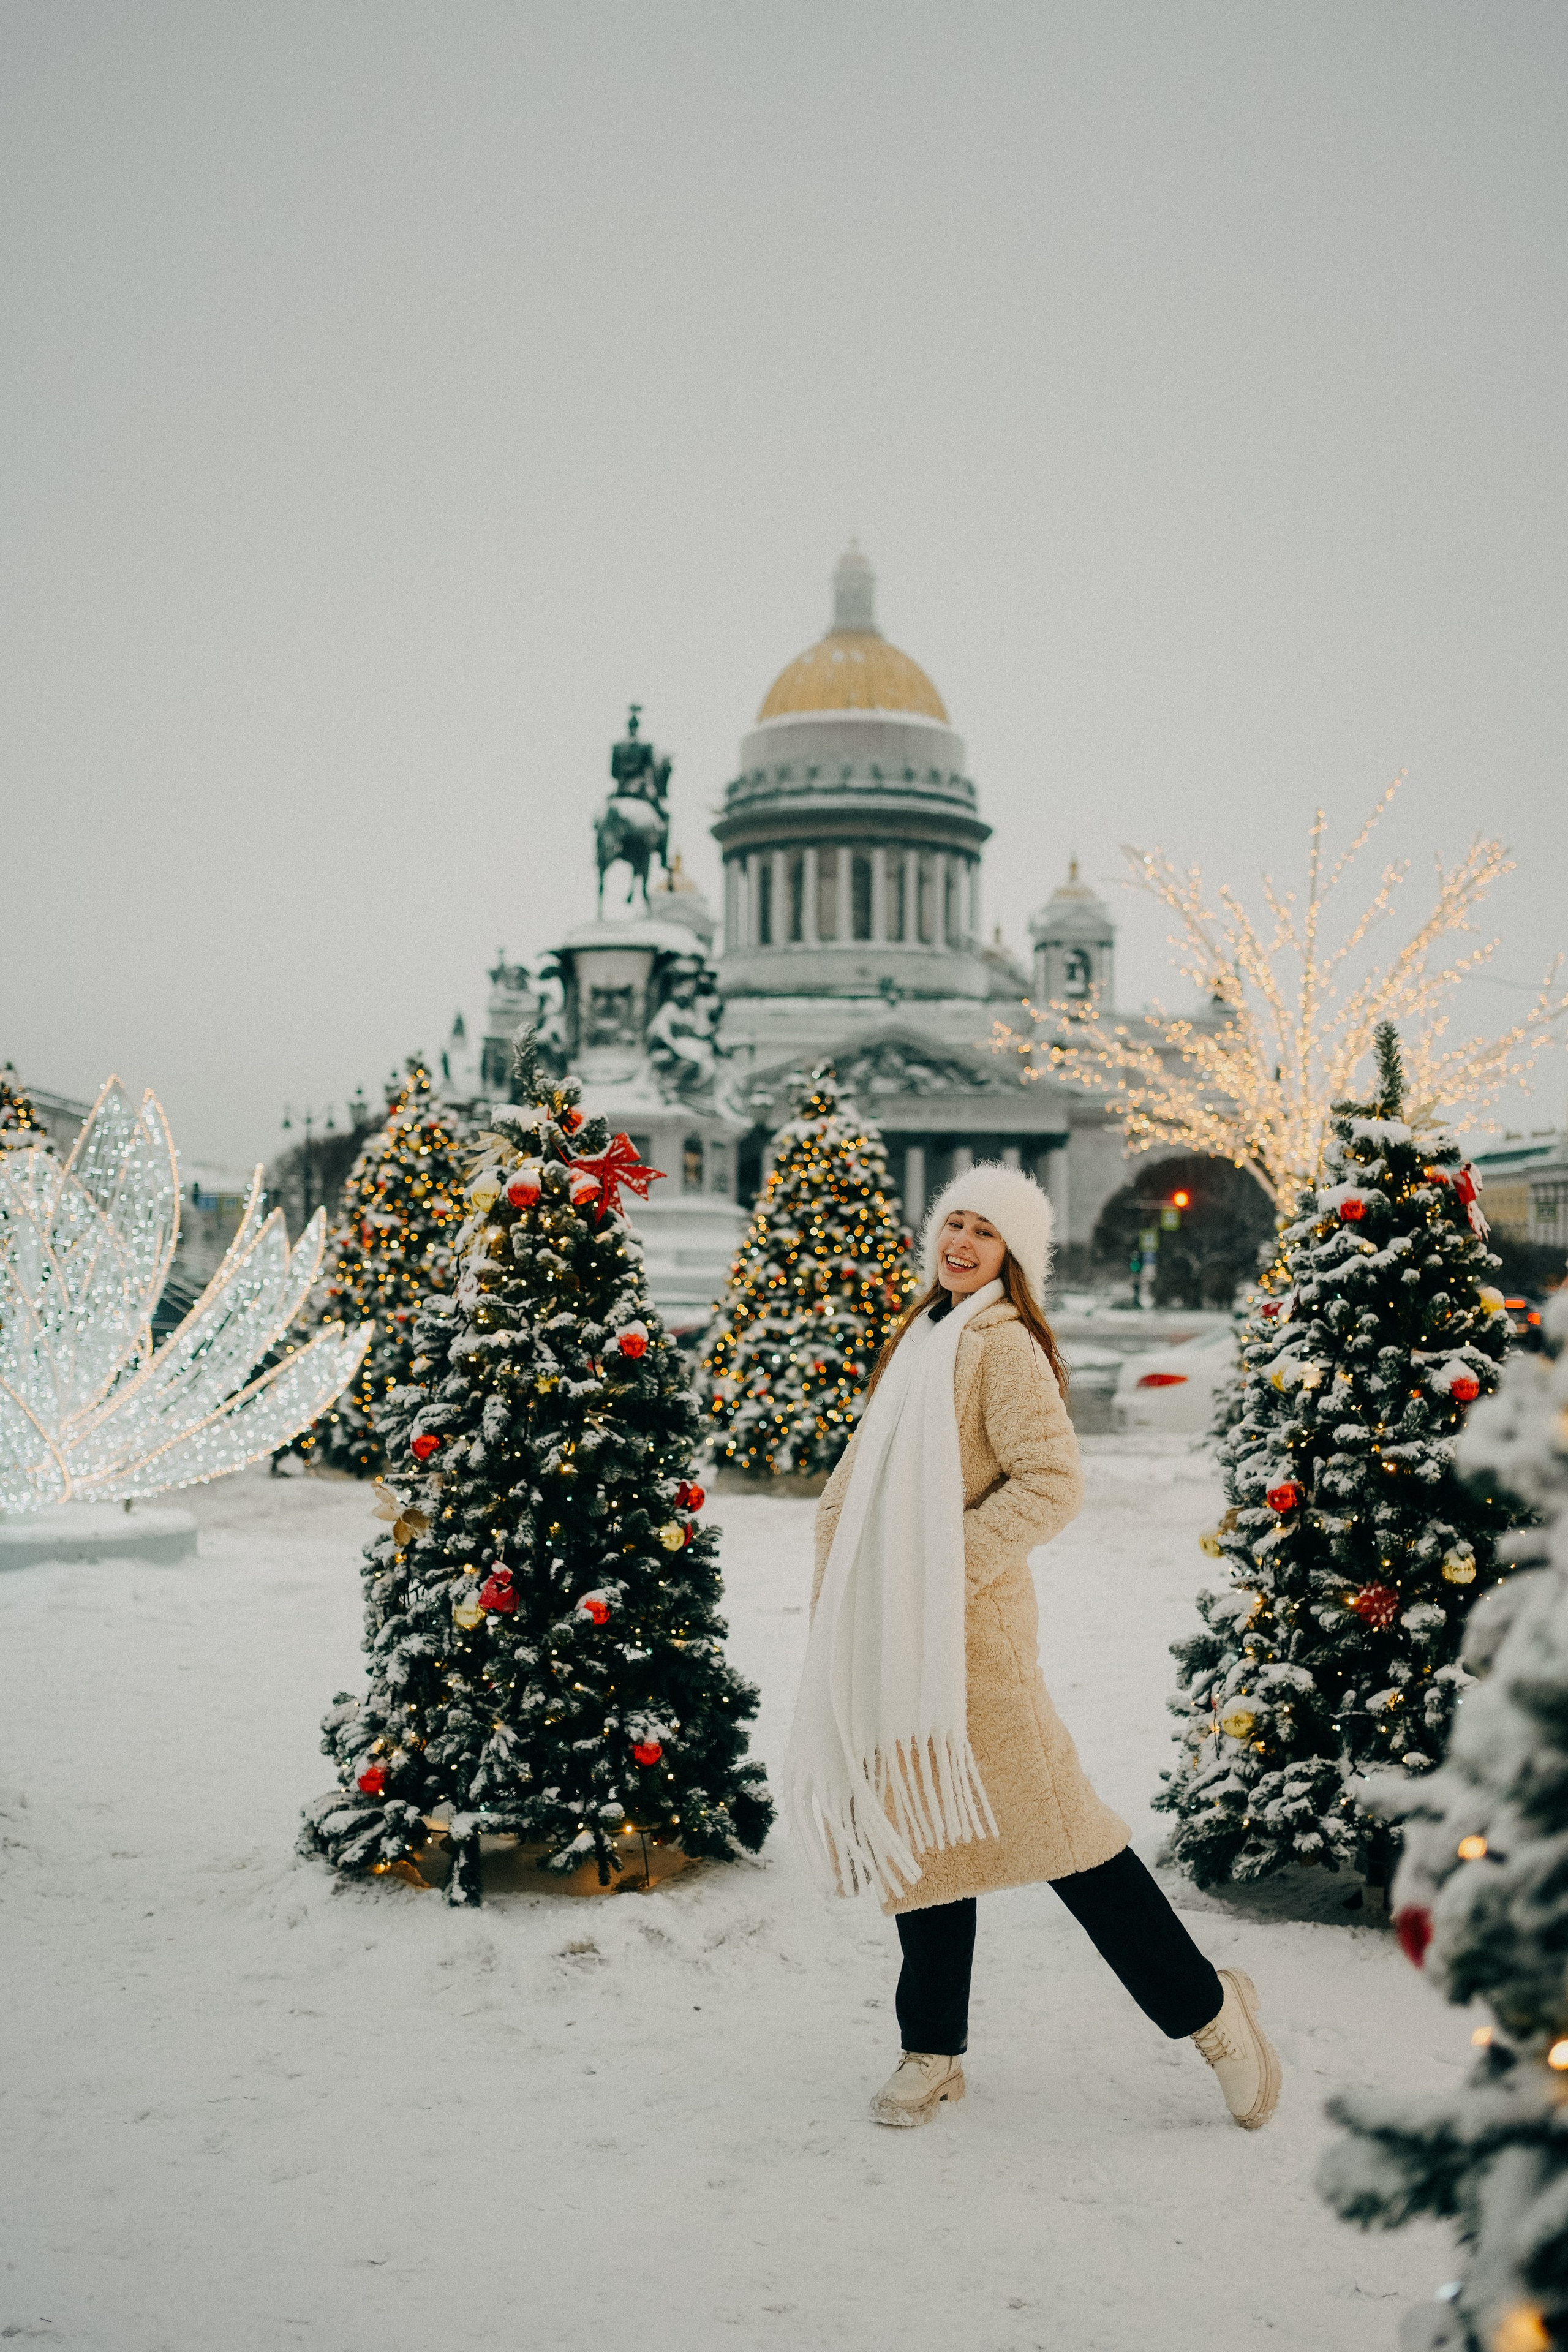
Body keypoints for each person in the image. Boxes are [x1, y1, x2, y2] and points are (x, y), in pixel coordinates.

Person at [783, 1163, 1280, 2132]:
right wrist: (850, 1580)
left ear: (1015, 1257)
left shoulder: (998, 1346)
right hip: (893, 1635)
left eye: (985, 1232)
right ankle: (932, 2049)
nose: (961, 1243)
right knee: (922, 1835)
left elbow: (1051, 1484)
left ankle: (1215, 2015)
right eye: (953, 1223)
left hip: (973, 1642)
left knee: (1071, 1844)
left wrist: (939, 1567)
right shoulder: (924, 1337)